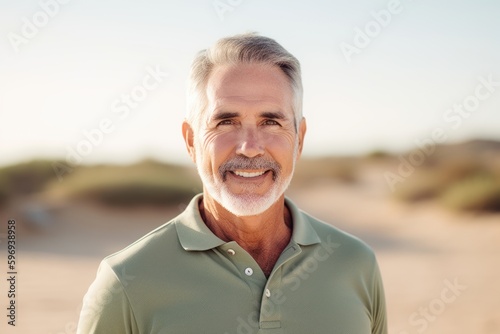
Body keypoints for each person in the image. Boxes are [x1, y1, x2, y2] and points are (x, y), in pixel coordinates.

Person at [77, 33, 388, 334]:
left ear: (300, 139)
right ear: (191, 141)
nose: (250, 147)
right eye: (226, 122)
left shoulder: (356, 264)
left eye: (271, 122)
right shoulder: (127, 281)